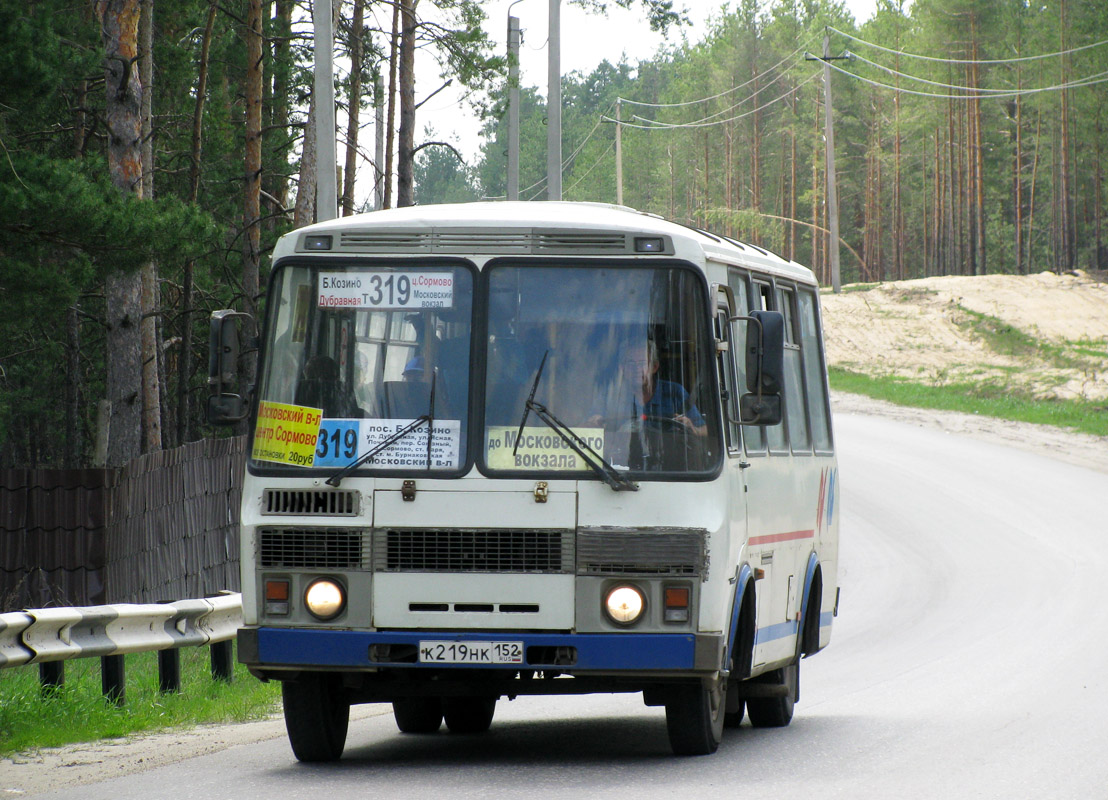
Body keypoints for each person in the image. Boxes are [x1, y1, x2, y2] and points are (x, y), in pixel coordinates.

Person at [615, 339, 706, 437]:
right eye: (631, 363)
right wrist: (596, 422)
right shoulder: (611, 396)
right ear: (622, 368)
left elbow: (704, 430)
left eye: (642, 363)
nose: (637, 369)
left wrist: (692, 429)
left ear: (654, 367)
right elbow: (598, 426)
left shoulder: (675, 392)